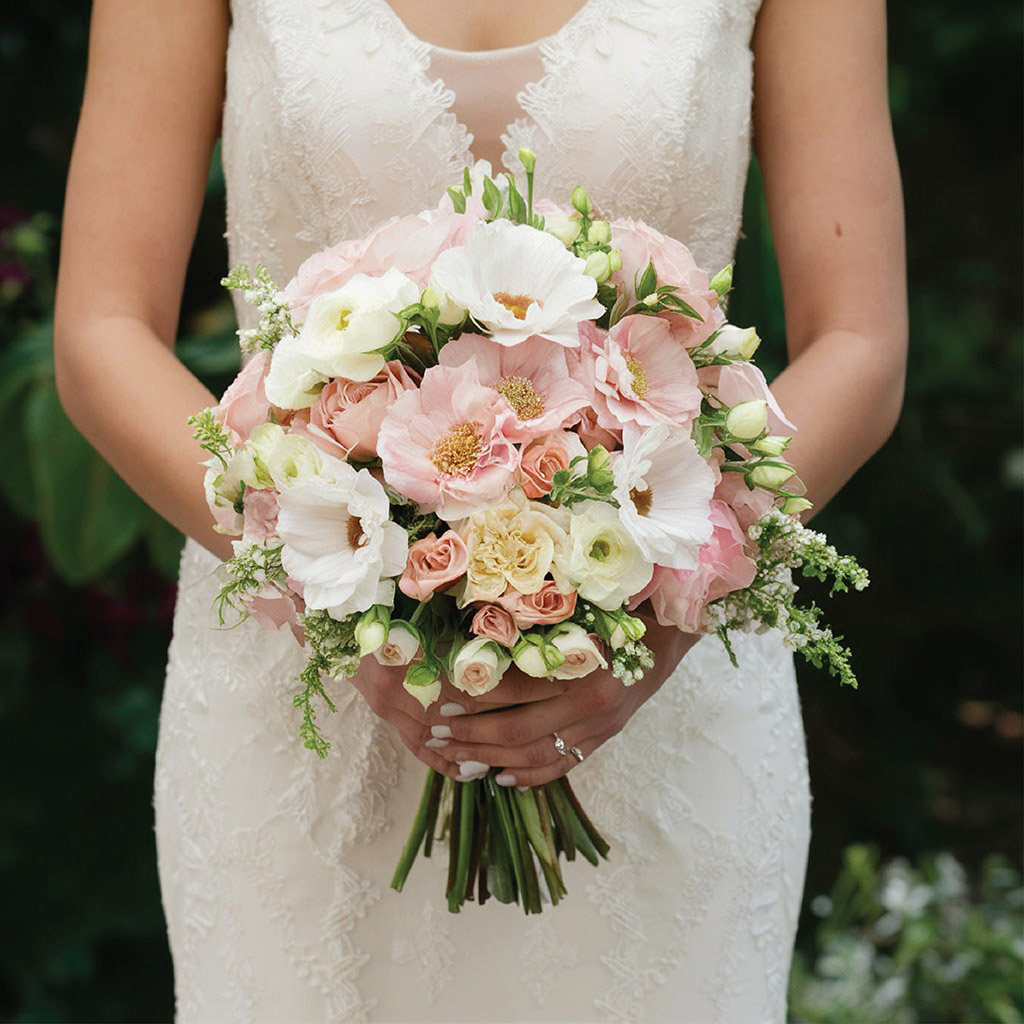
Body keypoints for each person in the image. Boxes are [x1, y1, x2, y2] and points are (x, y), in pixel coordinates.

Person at [53, 1, 907, 1021]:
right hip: (301, 696)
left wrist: (658, 610)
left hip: (665, 688)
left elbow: (859, 339)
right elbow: (102, 328)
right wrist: (335, 583)